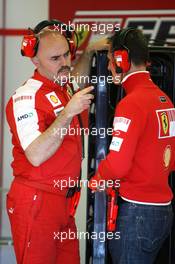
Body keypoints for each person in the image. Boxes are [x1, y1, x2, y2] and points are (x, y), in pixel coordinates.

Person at [6, 19, 94, 264]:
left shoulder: (63, 88)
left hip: (64, 203)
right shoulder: (26, 97)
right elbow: (35, 154)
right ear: (35, 60)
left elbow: (76, 71)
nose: (65, 64)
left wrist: (93, 48)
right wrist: (67, 113)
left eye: (67, 54)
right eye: (55, 59)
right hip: (36, 201)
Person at [89, 28, 175, 263]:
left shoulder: (131, 104)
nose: (108, 68)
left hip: (136, 215)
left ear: (121, 60)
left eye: (109, 61)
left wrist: (98, 179)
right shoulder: (164, 100)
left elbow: (117, 166)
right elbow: (170, 159)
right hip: (162, 212)